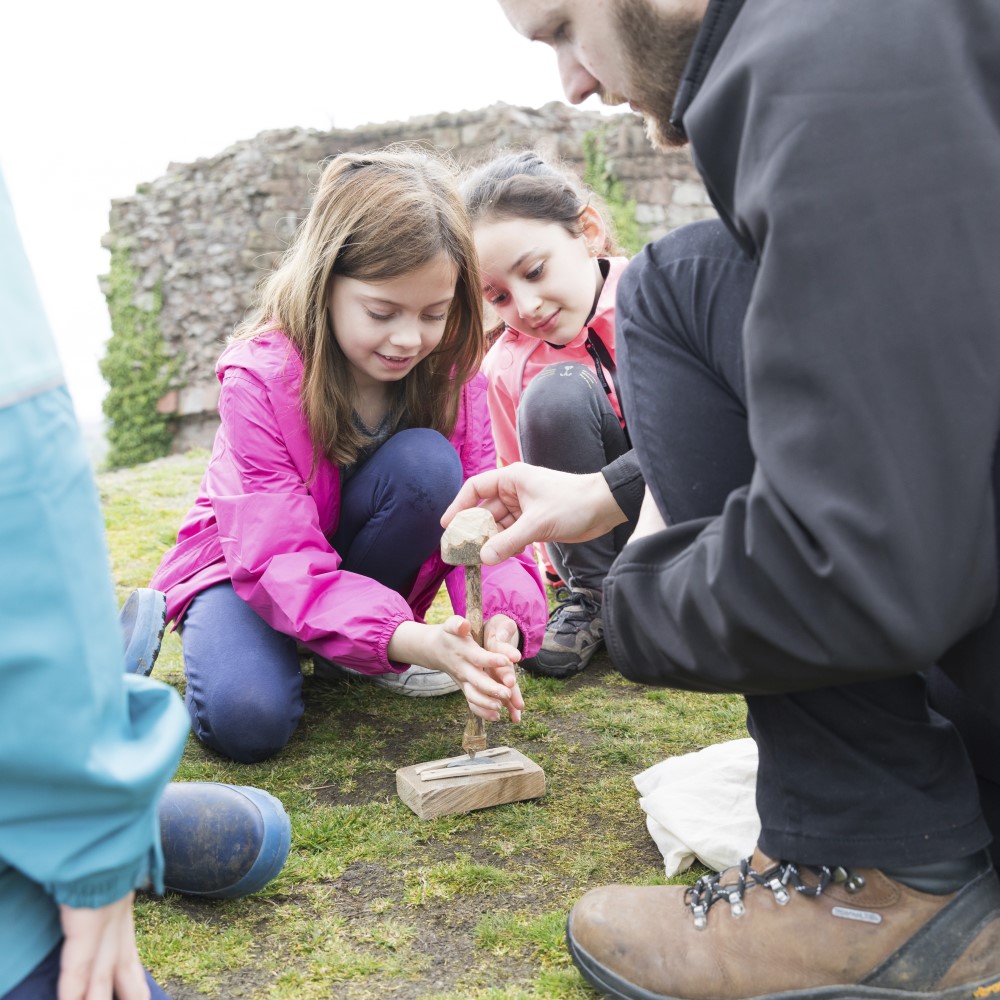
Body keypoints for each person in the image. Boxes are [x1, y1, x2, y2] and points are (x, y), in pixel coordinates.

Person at [442, 1, 1000, 998]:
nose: (571, 81)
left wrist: (638, 600)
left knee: (675, 288)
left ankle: (872, 867)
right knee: (693, 281)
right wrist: (607, 494)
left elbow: (860, 565)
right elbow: (896, 376)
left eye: (565, 27)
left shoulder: (839, 57)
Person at [151, 147, 547, 765]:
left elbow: (484, 511)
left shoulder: (450, 369)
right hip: (244, 568)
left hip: (361, 569)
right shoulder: (259, 379)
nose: (408, 338)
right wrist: (412, 638)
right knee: (247, 723)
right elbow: (277, 556)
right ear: (325, 284)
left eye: (433, 314)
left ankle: (354, 653)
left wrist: (502, 622)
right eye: (382, 312)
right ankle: (333, 645)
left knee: (428, 469)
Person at [0, 168, 292, 1000]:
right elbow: (18, 478)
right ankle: (87, 814)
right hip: (240, 585)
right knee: (243, 711)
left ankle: (69, 798)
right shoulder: (258, 379)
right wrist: (89, 842)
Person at [460, 150, 636, 677]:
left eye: (535, 271)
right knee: (554, 395)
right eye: (500, 296)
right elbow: (520, 488)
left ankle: (671, 586)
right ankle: (593, 601)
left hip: (680, 510)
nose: (528, 305)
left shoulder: (655, 299)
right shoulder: (505, 367)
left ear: (587, 230)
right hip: (586, 542)